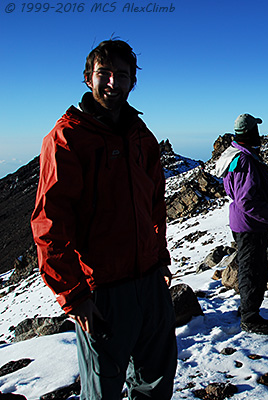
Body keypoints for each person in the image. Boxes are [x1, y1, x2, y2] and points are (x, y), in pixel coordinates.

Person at [31, 39, 177, 399]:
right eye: (104, 74)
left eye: (122, 75)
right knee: (102, 390)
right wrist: (73, 294)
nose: (113, 82)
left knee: (156, 382)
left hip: (149, 283)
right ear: (87, 78)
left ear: (133, 83)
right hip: (101, 292)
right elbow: (50, 221)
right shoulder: (68, 137)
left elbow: (154, 205)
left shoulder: (142, 137)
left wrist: (159, 260)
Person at [214, 114, 268, 334]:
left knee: (254, 268)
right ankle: (249, 317)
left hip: (246, 223)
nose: (260, 134)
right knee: (252, 270)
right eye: (256, 130)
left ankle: (248, 309)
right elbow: (247, 201)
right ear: (250, 133)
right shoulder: (245, 160)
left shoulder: (238, 155)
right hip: (250, 225)